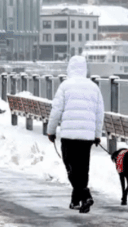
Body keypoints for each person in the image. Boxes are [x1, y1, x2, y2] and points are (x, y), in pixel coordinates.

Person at [47, 56, 104, 214]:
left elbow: (56, 110)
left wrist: (51, 131)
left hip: (69, 136)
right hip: (86, 137)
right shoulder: (94, 87)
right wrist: (97, 134)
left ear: (70, 68)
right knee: (82, 168)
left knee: (71, 167)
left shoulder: (65, 86)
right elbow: (99, 114)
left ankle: (85, 196)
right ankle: (76, 201)